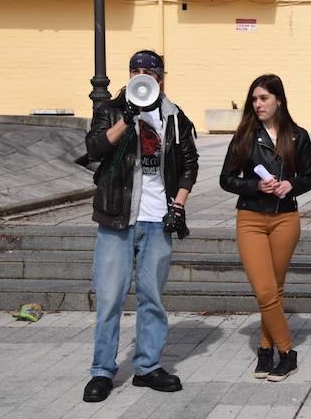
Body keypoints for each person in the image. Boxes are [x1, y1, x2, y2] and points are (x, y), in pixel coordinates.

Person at [83, 50, 199, 403]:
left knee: (152, 298)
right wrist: (128, 117)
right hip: (117, 218)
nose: (140, 75)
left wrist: (177, 205)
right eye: (134, 70)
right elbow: (96, 148)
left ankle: (147, 367)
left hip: (156, 220)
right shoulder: (110, 110)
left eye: (148, 71)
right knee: (109, 298)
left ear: (160, 78)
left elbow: (189, 165)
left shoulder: (175, 117)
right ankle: (102, 371)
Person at [219, 74, 311, 382]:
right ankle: (287, 351)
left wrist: (291, 184)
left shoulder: (298, 136)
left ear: (279, 101)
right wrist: (256, 185)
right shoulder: (245, 136)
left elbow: (309, 178)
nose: (257, 104)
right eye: (255, 99)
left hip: (286, 218)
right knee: (264, 289)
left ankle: (264, 348)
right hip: (251, 218)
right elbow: (226, 179)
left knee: (274, 289)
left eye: (263, 98)